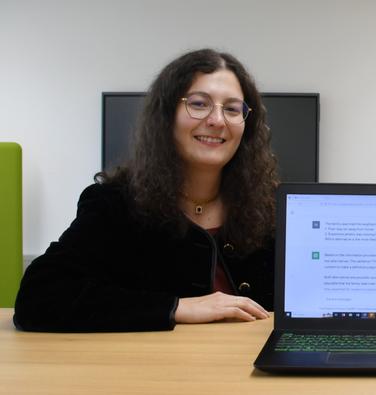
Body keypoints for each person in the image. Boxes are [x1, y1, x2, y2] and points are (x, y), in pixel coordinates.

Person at [14, 49, 279, 332]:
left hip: (250, 368)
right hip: (152, 371)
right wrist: (176, 307)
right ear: (166, 116)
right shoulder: (114, 203)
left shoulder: (273, 208)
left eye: (232, 108)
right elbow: (39, 298)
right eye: (199, 104)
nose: (217, 120)